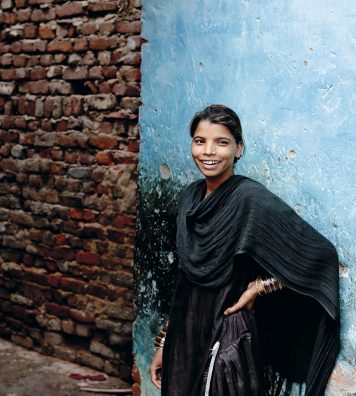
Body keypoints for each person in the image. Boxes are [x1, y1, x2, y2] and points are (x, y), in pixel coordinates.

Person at [150, 104, 340, 396]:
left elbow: (319, 258)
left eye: (221, 142)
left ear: (238, 149)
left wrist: (259, 287)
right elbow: (185, 282)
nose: (208, 151)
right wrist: (165, 340)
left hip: (225, 338)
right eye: (200, 141)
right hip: (184, 340)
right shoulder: (189, 197)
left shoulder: (250, 200)